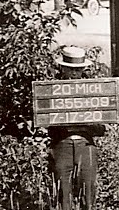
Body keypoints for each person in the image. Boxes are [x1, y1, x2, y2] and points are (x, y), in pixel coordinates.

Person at [48, 46, 104, 210]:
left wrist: (87, 123)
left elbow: (102, 128)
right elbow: (46, 124)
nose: (74, 74)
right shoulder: (52, 92)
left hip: (86, 147)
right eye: (71, 69)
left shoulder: (93, 92)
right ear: (63, 68)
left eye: (78, 70)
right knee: (63, 196)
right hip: (62, 146)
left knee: (88, 196)